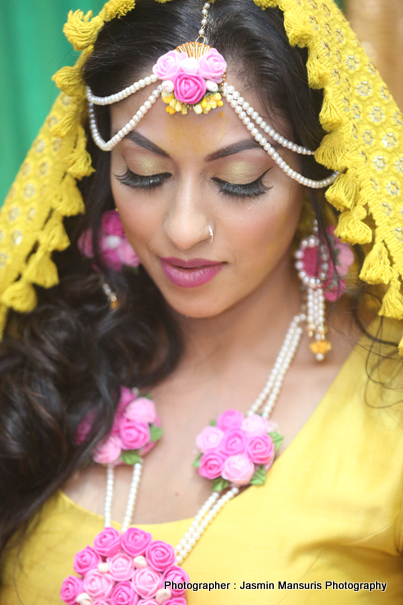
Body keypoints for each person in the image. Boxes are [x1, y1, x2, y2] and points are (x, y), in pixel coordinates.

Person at [0, 0, 402, 602]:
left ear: (316, 174)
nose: (184, 229)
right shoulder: (48, 357)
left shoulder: (386, 401)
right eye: (142, 172)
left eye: (239, 180)